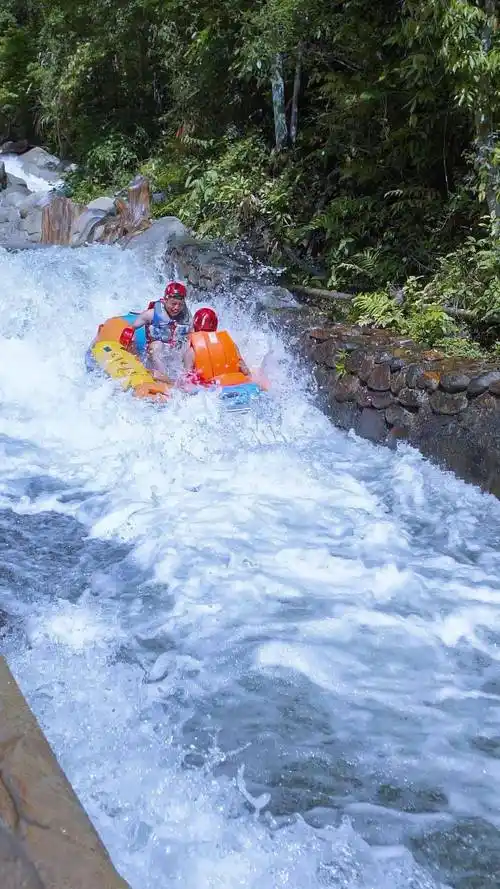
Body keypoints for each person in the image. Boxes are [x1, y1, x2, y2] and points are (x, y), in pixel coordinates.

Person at [119, 281, 192, 381]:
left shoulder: (186, 317)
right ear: (165, 300)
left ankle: (188, 377)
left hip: (175, 354)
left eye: (180, 304)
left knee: (189, 347)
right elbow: (131, 328)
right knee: (156, 345)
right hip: (155, 356)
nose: (176, 308)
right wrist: (131, 339)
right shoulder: (151, 314)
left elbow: (193, 335)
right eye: (173, 304)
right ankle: (165, 379)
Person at [182, 307, 250, 380]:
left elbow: (187, 381)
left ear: (195, 326)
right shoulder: (231, 345)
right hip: (232, 384)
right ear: (215, 326)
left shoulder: (191, 352)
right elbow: (246, 372)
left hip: (207, 389)